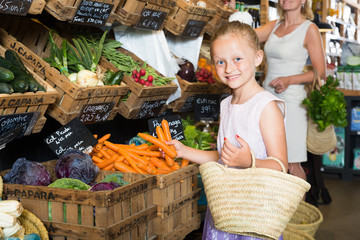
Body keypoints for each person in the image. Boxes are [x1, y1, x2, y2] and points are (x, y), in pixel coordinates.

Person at [167, 21, 288, 240]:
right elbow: (224, 158)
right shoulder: (225, 104)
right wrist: (183, 151)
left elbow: (281, 166)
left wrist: (250, 162)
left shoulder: (266, 107)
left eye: (237, 59)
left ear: (258, 58)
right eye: (220, 62)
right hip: (225, 211)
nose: (229, 68)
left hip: (255, 216)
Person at [254, 0, 326, 181]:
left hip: (293, 103)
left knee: (292, 164)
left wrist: (289, 80)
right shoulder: (274, 25)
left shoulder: (309, 29)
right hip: (268, 100)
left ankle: (298, 209)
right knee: (269, 159)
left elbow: (320, 73)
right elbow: (245, 37)